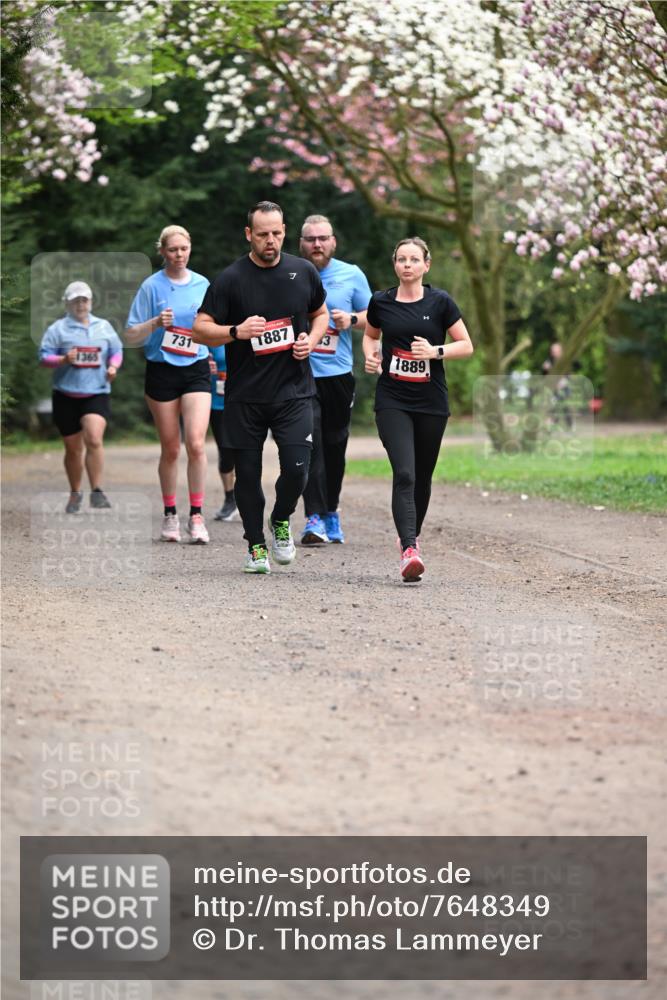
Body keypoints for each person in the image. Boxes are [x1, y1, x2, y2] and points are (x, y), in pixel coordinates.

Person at [192, 200, 328, 574]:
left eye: (278, 233)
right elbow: (200, 328)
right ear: (249, 234)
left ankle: (281, 519)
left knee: (299, 470)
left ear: (285, 232)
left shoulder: (302, 271)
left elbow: (320, 313)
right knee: (247, 476)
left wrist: (312, 340)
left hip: (294, 392)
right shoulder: (231, 279)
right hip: (245, 397)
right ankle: (255, 545)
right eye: (264, 234)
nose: (271, 241)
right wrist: (236, 331)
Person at [363, 237, 474, 582]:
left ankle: (410, 535)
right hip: (392, 399)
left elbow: (466, 345)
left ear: (426, 265)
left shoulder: (440, 302)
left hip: (431, 402)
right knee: (405, 473)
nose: (407, 265)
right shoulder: (380, 301)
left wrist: (435, 351)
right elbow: (370, 335)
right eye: (401, 259)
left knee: (422, 477)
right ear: (394, 264)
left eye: (414, 259)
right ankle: (409, 549)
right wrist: (371, 354)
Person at [125, 225, 211, 544]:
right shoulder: (151, 287)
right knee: (172, 448)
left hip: (196, 367)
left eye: (184, 249)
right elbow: (130, 335)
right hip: (162, 370)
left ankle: (197, 516)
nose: (179, 255)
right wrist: (155, 323)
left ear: (190, 249)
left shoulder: (203, 284)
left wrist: (216, 351)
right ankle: (170, 514)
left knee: (198, 443)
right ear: (162, 251)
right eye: (172, 250)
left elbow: (212, 325)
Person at [298, 214, 372, 545]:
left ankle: (331, 511)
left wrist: (352, 319)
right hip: (301, 376)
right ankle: (312, 517)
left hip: (338, 376)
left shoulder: (351, 274)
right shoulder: (290, 274)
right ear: (301, 243)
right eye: (311, 239)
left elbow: (377, 317)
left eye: (322, 238)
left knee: (335, 445)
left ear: (333, 242)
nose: (317, 244)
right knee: (308, 443)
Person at [39, 281, 123, 513]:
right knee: (73, 449)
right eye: (75, 300)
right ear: (67, 303)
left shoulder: (104, 327)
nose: (80, 304)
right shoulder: (57, 329)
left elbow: (116, 351)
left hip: (96, 392)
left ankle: (97, 490)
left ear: (91, 302)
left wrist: (113, 367)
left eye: (84, 300)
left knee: (94, 438)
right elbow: (43, 357)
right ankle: (75, 493)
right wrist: (63, 360)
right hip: (65, 394)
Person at [208, 344, 237, 521]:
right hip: (217, 403)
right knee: (225, 451)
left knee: (245, 451)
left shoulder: (247, 331)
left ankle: (246, 497)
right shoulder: (210, 336)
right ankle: (230, 498)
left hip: (245, 401)